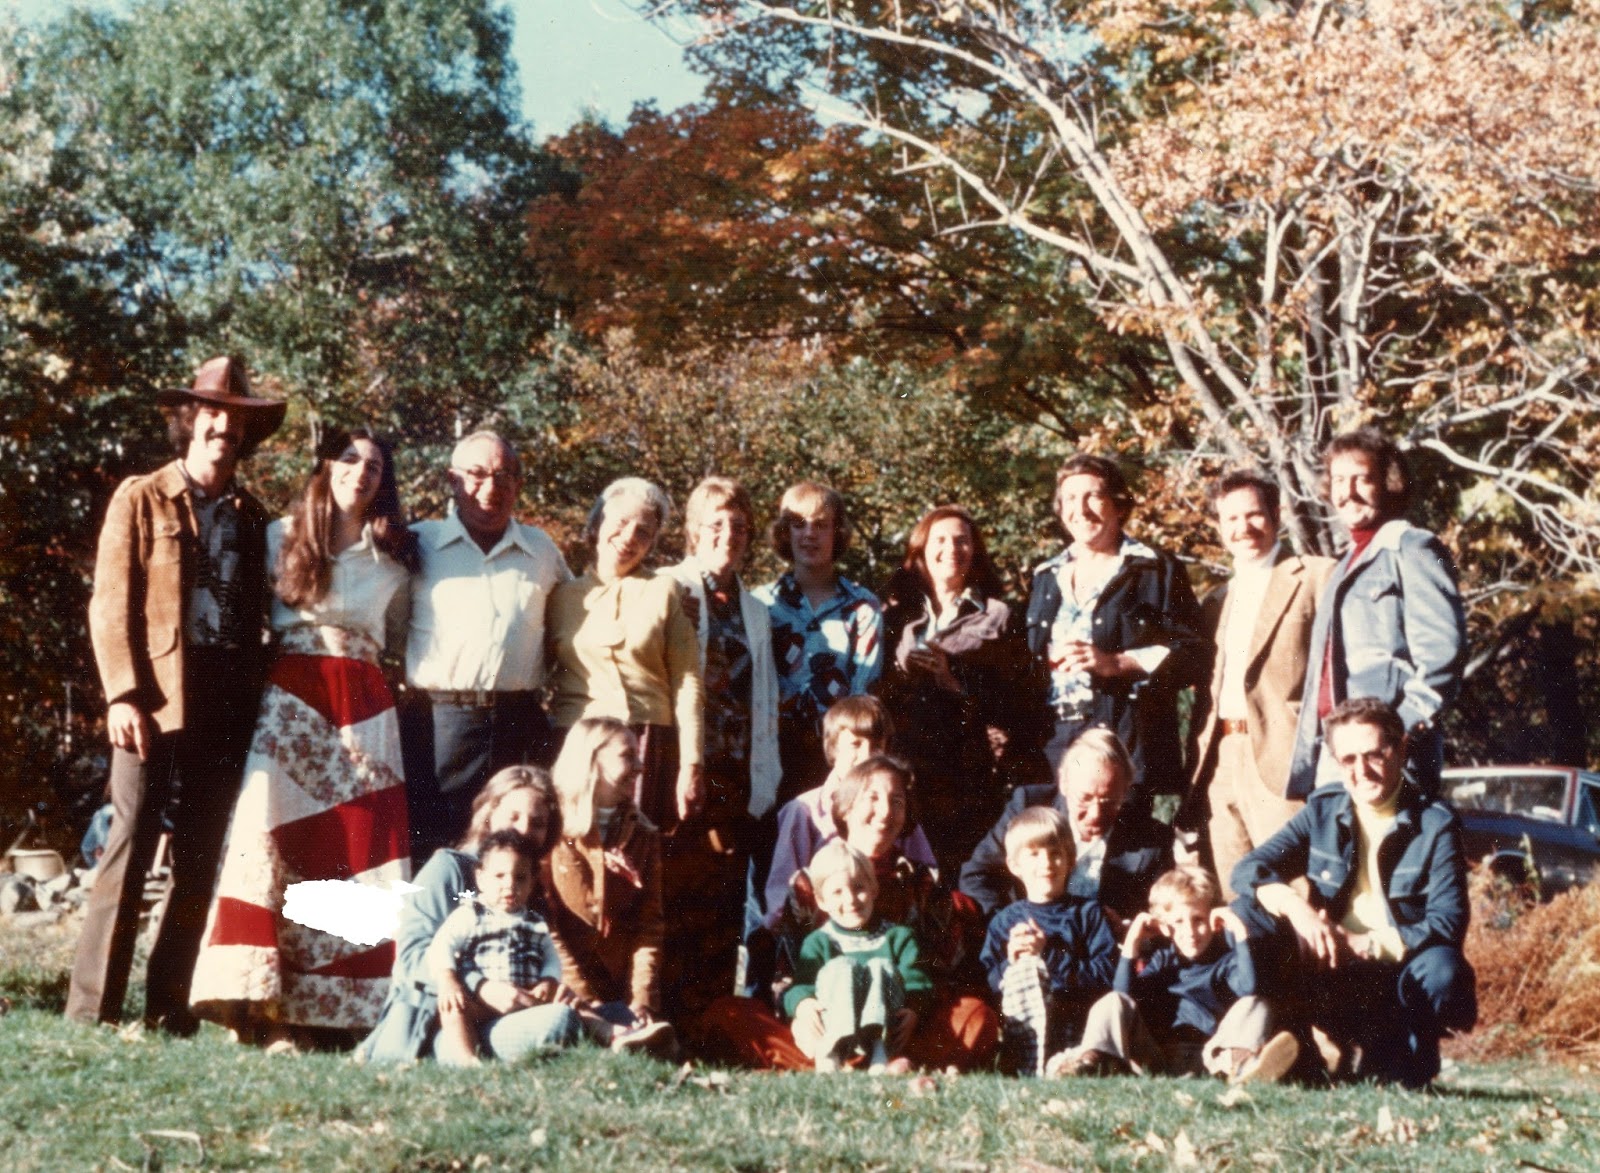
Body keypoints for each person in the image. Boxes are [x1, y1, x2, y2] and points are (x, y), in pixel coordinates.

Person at [67, 355, 285, 1034]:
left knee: (200, 852)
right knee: (130, 841)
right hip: (154, 698)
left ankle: (168, 1010)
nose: (223, 427)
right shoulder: (141, 497)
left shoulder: (253, 516)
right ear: (190, 420)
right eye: (213, 413)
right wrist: (122, 695)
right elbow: (110, 604)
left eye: (236, 419)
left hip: (226, 699)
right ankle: (92, 1012)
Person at [189, 427, 418, 1042]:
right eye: (349, 459)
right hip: (291, 701)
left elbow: (397, 639)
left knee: (359, 852)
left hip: (364, 710)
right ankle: (261, 1010)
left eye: (374, 466)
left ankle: (345, 1014)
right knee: (270, 841)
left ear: (383, 483)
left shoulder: (393, 560)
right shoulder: (279, 538)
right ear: (325, 466)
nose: (360, 472)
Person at [1234, 698, 1477, 1088]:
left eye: (1374, 755)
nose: (1361, 771)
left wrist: (1368, 944)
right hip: (1331, 964)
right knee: (1248, 912)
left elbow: (1447, 921)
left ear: (1400, 750)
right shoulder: (1323, 811)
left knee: (1442, 969)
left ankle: (1400, 1055)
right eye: (1348, 760)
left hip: (1398, 971)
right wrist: (1297, 908)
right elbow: (1249, 869)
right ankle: (1298, 1044)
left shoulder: (1436, 824)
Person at [404, 430, 572, 863]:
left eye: (503, 476)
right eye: (476, 474)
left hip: (518, 722)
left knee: (515, 849)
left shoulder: (541, 551)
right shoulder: (419, 544)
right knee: (435, 847)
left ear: (518, 484)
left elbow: (577, 616)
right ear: (452, 480)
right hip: (438, 725)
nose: (490, 488)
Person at [1287, 428, 1466, 798]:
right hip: (1337, 750)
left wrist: (1399, 730)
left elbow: (1442, 656)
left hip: (1388, 755)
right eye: (1339, 480)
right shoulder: (1344, 564)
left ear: (1389, 484)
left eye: (1362, 479)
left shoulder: (1413, 547)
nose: (1347, 492)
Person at [659, 477, 780, 1020]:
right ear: (693, 531)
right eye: (715, 524)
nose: (727, 534)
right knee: (677, 894)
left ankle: (716, 1023)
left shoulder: (755, 609)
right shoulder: (670, 587)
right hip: (681, 768)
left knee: (724, 901)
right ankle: (669, 1019)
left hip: (736, 772)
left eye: (738, 526)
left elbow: (764, 694)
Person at [1184, 470, 1333, 897]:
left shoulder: (1317, 576)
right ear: (1219, 527)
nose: (1243, 528)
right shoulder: (1216, 600)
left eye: (1254, 515)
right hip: (1218, 759)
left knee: (1293, 890)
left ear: (1276, 516)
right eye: (1231, 519)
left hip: (1281, 756)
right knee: (1235, 894)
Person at [878, 505, 1048, 878]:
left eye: (961, 540)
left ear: (975, 550)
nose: (951, 549)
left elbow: (1018, 701)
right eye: (939, 540)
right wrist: (904, 672)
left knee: (961, 874)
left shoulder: (999, 616)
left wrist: (952, 680)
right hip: (906, 764)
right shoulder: (896, 614)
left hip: (965, 770)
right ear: (921, 551)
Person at [1024, 454, 1206, 803]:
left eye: (1093, 496)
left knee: (1120, 835)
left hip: (1124, 740)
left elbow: (1195, 654)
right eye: (1070, 499)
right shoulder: (1045, 577)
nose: (1081, 509)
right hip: (1053, 743)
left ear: (1119, 506)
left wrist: (1118, 662)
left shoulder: (1155, 569)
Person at [357, 765, 562, 1063]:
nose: (524, 830)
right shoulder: (449, 869)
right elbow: (412, 957)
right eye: (513, 817)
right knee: (558, 1024)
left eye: (538, 823)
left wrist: (547, 983)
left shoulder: (531, 885)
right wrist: (481, 986)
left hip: (509, 1010)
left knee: (594, 1015)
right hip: (437, 1015)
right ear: (489, 814)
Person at [546, 477, 704, 832]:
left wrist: (691, 763)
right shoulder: (561, 597)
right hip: (577, 741)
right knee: (574, 841)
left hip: (647, 742)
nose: (630, 536)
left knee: (638, 845)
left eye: (643, 532)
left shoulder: (666, 590)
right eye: (621, 522)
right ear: (596, 525)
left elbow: (687, 682)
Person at [1052, 866, 1298, 1084]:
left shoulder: (1227, 961)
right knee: (1111, 1001)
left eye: (1198, 920)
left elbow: (1249, 988)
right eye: (1178, 922)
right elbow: (1123, 996)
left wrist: (1239, 932)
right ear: (1164, 926)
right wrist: (1132, 942)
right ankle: (1093, 1064)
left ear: (1215, 919)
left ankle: (1241, 1065)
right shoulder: (1163, 960)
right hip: (1158, 1057)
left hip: (1210, 1058)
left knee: (1255, 1003)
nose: (1190, 931)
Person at [543, 717, 676, 1056]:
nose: (640, 767)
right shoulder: (550, 828)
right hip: (560, 988)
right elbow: (547, 926)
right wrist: (586, 1000)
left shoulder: (643, 834)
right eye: (627, 756)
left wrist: (642, 999)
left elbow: (649, 925)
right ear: (591, 760)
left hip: (619, 990)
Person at [960, 729, 1171, 934]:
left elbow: (1167, 915)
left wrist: (1131, 929)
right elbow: (975, 875)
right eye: (1084, 799)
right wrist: (1009, 927)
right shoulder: (1028, 806)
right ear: (1064, 783)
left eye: (1109, 802)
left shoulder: (1152, 839)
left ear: (1125, 791)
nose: (1095, 814)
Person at [755, 481, 883, 803]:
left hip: (837, 754)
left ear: (837, 533)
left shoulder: (862, 606)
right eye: (798, 524)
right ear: (785, 533)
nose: (809, 534)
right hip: (772, 752)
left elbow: (863, 691)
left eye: (821, 525)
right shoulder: (761, 604)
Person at [763, 695, 936, 927]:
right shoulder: (804, 811)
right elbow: (781, 894)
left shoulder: (892, 808)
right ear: (833, 747)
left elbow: (927, 874)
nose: (866, 756)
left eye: (876, 746)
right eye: (855, 744)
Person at [979, 807, 1117, 1077]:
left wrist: (1048, 957)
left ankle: (1068, 1063)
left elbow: (1107, 974)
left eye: (1055, 854)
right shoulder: (1004, 922)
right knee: (1025, 973)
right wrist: (1011, 963)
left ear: (1071, 860)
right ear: (1015, 865)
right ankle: (1028, 1060)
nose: (1047, 863)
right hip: (1023, 1029)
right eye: (1034, 854)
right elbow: (988, 981)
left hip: (1075, 1025)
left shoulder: (1087, 914)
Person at [427, 828, 581, 1067]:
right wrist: (448, 979)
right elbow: (442, 944)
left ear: (532, 882)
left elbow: (551, 956)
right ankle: (466, 1058)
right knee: (454, 1008)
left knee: (561, 1009)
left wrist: (548, 980)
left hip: (523, 999)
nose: (509, 885)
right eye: (499, 876)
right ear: (481, 878)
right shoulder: (471, 913)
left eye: (520, 878)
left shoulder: (535, 921)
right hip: (482, 1001)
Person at [782, 841, 932, 1073]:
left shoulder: (898, 936)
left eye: (859, 888)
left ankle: (879, 1050)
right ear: (821, 901)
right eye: (837, 892)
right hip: (835, 1025)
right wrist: (802, 1003)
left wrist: (914, 1009)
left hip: (886, 1029)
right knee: (842, 966)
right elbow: (801, 985)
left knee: (880, 966)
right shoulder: (819, 941)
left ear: (874, 890)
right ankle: (833, 1051)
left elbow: (918, 982)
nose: (851, 900)